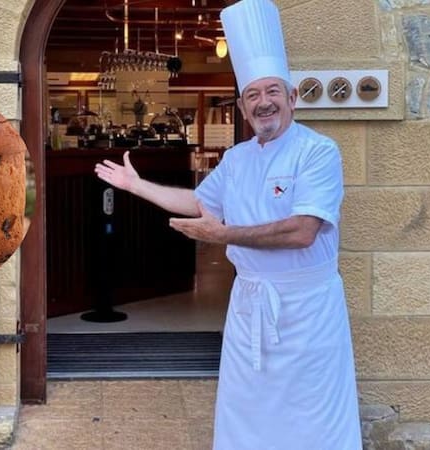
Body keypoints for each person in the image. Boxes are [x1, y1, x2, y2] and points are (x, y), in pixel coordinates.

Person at [94, 0, 362, 448]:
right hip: (250, 304)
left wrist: (223, 235)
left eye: (272, 92)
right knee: (246, 409)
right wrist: (136, 185)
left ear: (292, 98)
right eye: (253, 95)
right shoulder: (237, 159)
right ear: (241, 107)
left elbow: (303, 230)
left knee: (311, 415)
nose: (264, 102)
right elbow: (199, 202)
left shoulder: (318, 152)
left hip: (308, 311)